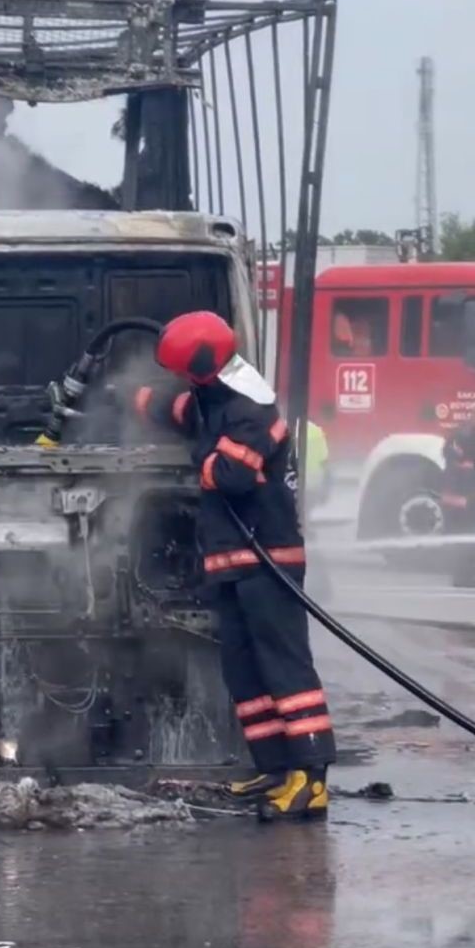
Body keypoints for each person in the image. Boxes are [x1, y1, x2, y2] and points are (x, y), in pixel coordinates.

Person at [135, 310, 336, 822]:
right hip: (231, 565)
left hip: (268, 563)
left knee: (284, 668)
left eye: (184, 371)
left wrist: (198, 458)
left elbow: (231, 476)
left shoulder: (252, 406)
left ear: (202, 366)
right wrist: (136, 400)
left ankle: (310, 779)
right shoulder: (215, 397)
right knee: (244, 672)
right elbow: (183, 411)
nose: (183, 381)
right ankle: (274, 768)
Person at [441, 398, 475, 587]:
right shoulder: (463, 435)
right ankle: (462, 577)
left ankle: (467, 575)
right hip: (463, 494)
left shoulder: (466, 433)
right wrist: (470, 463)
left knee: (474, 532)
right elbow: (457, 457)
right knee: (468, 532)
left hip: (472, 492)